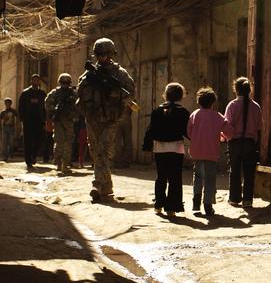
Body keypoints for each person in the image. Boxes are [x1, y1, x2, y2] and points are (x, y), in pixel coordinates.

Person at [76, 38, 136, 203]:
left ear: (112, 54)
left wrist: (115, 93)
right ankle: (107, 187)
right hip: (92, 118)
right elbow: (79, 92)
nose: (103, 58)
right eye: (100, 54)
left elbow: (130, 93)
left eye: (107, 54)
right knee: (96, 152)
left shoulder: (120, 74)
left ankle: (97, 185)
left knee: (102, 150)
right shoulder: (89, 73)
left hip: (111, 119)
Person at [144, 82, 190, 216]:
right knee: (175, 178)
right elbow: (187, 131)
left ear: (166, 95)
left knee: (161, 177)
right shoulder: (183, 112)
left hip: (159, 149)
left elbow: (150, 130)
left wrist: (147, 145)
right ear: (181, 96)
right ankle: (171, 208)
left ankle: (158, 205)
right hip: (176, 149)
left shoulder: (157, 110)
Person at [187, 87, 231, 218]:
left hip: (196, 151)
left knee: (198, 177)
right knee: (210, 178)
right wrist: (222, 136)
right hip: (211, 152)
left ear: (199, 101)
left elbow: (189, 132)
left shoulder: (194, 114)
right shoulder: (217, 116)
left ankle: (196, 204)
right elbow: (229, 130)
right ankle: (208, 205)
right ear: (213, 102)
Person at [222, 77, 261, 209]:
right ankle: (248, 200)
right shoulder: (256, 106)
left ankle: (234, 199)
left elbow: (227, 126)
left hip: (234, 143)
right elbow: (258, 126)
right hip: (250, 143)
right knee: (249, 172)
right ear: (249, 90)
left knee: (235, 171)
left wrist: (225, 137)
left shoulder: (232, 105)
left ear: (236, 90)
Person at [45, 73, 78, 175]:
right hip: (58, 120)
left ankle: (65, 164)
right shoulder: (55, 93)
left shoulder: (73, 94)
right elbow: (47, 103)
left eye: (66, 83)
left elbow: (79, 105)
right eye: (63, 83)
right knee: (59, 141)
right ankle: (58, 162)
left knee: (68, 142)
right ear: (60, 82)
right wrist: (54, 111)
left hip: (69, 120)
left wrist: (75, 114)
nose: (65, 85)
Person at [18, 74, 46, 171]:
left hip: (39, 120)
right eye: (34, 80)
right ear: (31, 81)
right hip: (28, 120)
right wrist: (22, 119)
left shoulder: (42, 94)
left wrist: (45, 119)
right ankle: (28, 160)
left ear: (39, 82)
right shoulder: (25, 93)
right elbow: (20, 107)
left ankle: (33, 155)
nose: (35, 82)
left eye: (37, 80)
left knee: (39, 139)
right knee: (28, 141)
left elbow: (45, 108)